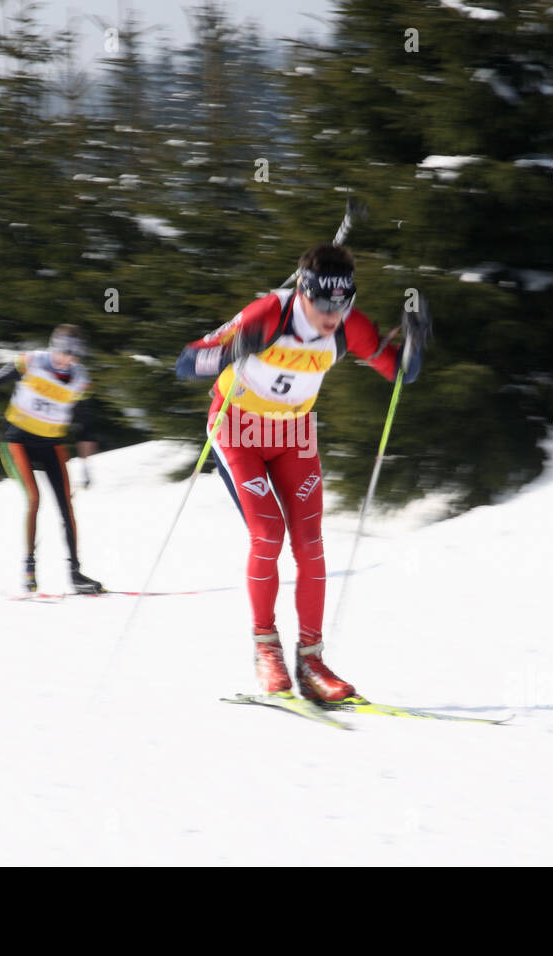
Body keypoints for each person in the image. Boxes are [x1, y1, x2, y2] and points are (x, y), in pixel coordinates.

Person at [175, 243, 425, 701]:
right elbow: (187, 362)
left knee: (310, 543)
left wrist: (414, 347)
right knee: (267, 534)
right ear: (303, 292)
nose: (332, 315)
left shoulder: (351, 325)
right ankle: (265, 648)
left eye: (341, 303)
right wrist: (236, 349)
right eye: (323, 304)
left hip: (293, 436)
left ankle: (311, 661)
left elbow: (398, 374)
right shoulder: (269, 312)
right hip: (238, 429)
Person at [0, 324, 104, 595]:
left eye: (73, 354)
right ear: (53, 346)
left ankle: (75, 573)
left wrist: (85, 465)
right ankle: (29, 568)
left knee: (66, 507)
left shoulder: (81, 379)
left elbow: (86, 426)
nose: (65, 358)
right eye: (61, 351)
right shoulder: (32, 361)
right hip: (17, 441)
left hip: (52, 444)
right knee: (35, 499)